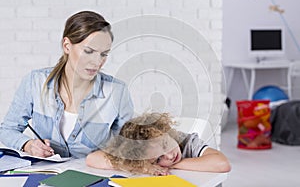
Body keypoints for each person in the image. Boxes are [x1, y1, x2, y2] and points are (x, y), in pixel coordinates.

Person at [0, 11, 133, 158]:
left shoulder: (117, 92)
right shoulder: (35, 82)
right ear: (67, 46)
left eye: (104, 54)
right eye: (89, 51)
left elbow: (129, 146)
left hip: (94, 177)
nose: (97, 62)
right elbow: (7, 130)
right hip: (43, 174)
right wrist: (28, 145)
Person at [86, 112, 231, 176]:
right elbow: (92, 158)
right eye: (158, 159)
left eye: (165, 145)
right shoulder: (142, 161)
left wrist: (172, 165)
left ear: (165, 131)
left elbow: (222, 164)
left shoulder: (187, 142)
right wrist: (143, 167)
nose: (169, 155)